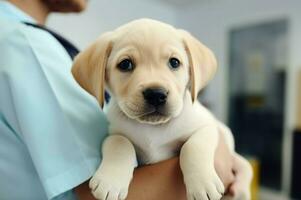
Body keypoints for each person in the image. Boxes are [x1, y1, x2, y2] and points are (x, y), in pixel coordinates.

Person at [0, 0, 237, 199]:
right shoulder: (25, 44)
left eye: (174, 62)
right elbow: (87, 189)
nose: (154, 85)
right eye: (126, 64)